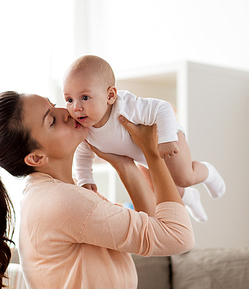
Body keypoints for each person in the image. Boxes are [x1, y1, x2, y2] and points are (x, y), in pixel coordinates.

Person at [0, 91, 194, 289]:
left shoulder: (60, 192)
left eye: (53, 105)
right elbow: (177, 237)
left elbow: (153, 226)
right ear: (36, 157)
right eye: (51, 120)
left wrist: (122, 162)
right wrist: (153, 152)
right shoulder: (61, 202)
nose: (66, 111)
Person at [62, 55, 226, 223]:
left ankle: (208, 172)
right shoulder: (84, 127)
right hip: (142, 156)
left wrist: (167, 139)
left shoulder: (125, 107)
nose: (76, 107)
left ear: (110, 95)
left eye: (85, 97)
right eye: (69, 99)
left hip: (166, 137)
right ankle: (191, 198)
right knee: (161, 191)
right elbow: (83, 153)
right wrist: (85, 180)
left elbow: (162, 108)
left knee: (183, 178)